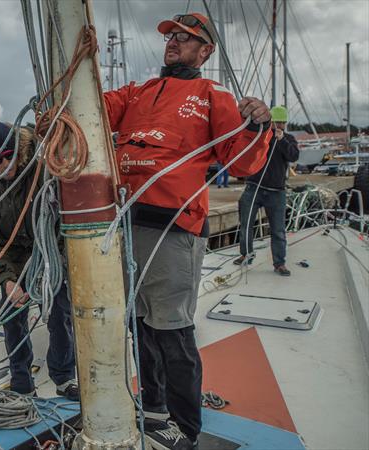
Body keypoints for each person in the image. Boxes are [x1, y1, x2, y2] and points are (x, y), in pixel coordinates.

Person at [102, 13, 272, 449]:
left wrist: (257, 124)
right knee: (141, 325)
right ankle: (154, 406)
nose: (174, 42)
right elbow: (95, 110)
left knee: (172, 330)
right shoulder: (136, 92)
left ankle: (186, 426)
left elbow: (242, 163)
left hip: (173, 229)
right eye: (171, 36)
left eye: (185, 38)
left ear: (205, 50)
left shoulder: (212, 95)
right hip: (127, 223)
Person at [0, 122, 79, 400]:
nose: (5, 164)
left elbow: (63, 222)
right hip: (12, 256)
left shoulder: (43, 173)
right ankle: (21, 379)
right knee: (12, 315)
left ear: (19, 151)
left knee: (59, 312)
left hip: (47, 250)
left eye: (9, 156)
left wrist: (53, 261)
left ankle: (64, 376)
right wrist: (6, 280)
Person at [235, 105, 299, 276]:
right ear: (270, 122)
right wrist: (266, 135)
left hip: (276, 192)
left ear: (285, 124)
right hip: (254, 187)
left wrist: (282, 140)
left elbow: (293, 156)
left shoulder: (289, 139)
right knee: (246, 223)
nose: (279, 126)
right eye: (276, 122)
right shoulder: (261, 136)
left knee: (278, 230)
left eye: (282, 123)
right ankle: (246, 254)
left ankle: (279, 263)